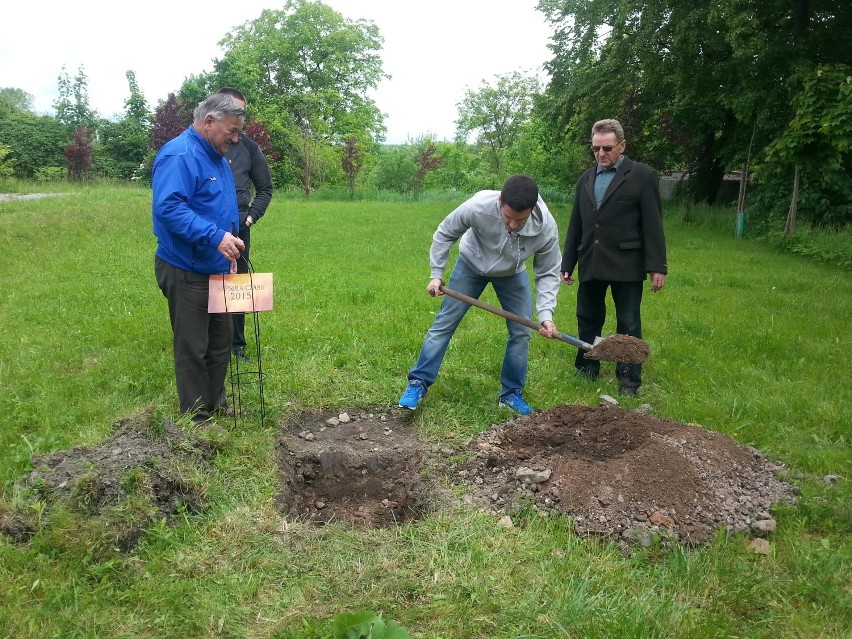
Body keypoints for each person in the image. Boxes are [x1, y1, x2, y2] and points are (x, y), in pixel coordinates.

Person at [398, 175, 562, 415]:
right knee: (444, 323)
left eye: (521, 219)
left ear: (533, 208)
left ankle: (511, 393)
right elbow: (445, 233)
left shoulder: (547, 229)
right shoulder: (477, 207)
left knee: (521, 331)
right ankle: (418, 382)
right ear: (499, 202)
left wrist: (546, 314)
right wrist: (436, 274)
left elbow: (548, 272)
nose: (513, 225)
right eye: (508, 217)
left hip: (511, 273)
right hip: (471, 264)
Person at [152, 92, 246, 423]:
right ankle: (196, 417)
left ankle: (215, 402)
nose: (235, 139)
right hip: (185, 268)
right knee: (193, 347)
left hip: (216, 265)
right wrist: (215, 236)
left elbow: (216, 206)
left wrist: (228, 245)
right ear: (209, 122)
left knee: (220, 342)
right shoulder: (180, 155)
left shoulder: (216, 155)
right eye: (231, 131)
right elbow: (168, 208)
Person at [560, 118, 667, 396]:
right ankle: (587, 369)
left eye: (607, 148)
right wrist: (567, 262)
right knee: (587, 317)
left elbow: (653, 223)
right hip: (591, 261)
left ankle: (628, 380)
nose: (601, 154)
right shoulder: (586, 178)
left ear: (622, 145)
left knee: (628, 323)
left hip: (627, 264)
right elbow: (577, 223)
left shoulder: (642, 175)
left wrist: (657, 266)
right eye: (596, 149)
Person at [216, 87, 274, 363]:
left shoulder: (249, 148)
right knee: (210, 282)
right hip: (207, 228)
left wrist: (251, 217)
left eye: (242, 111)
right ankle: (211, 340)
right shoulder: (206, 145)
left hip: (238, 228)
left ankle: (237, 344)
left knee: (237, 282)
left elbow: (265, 188)